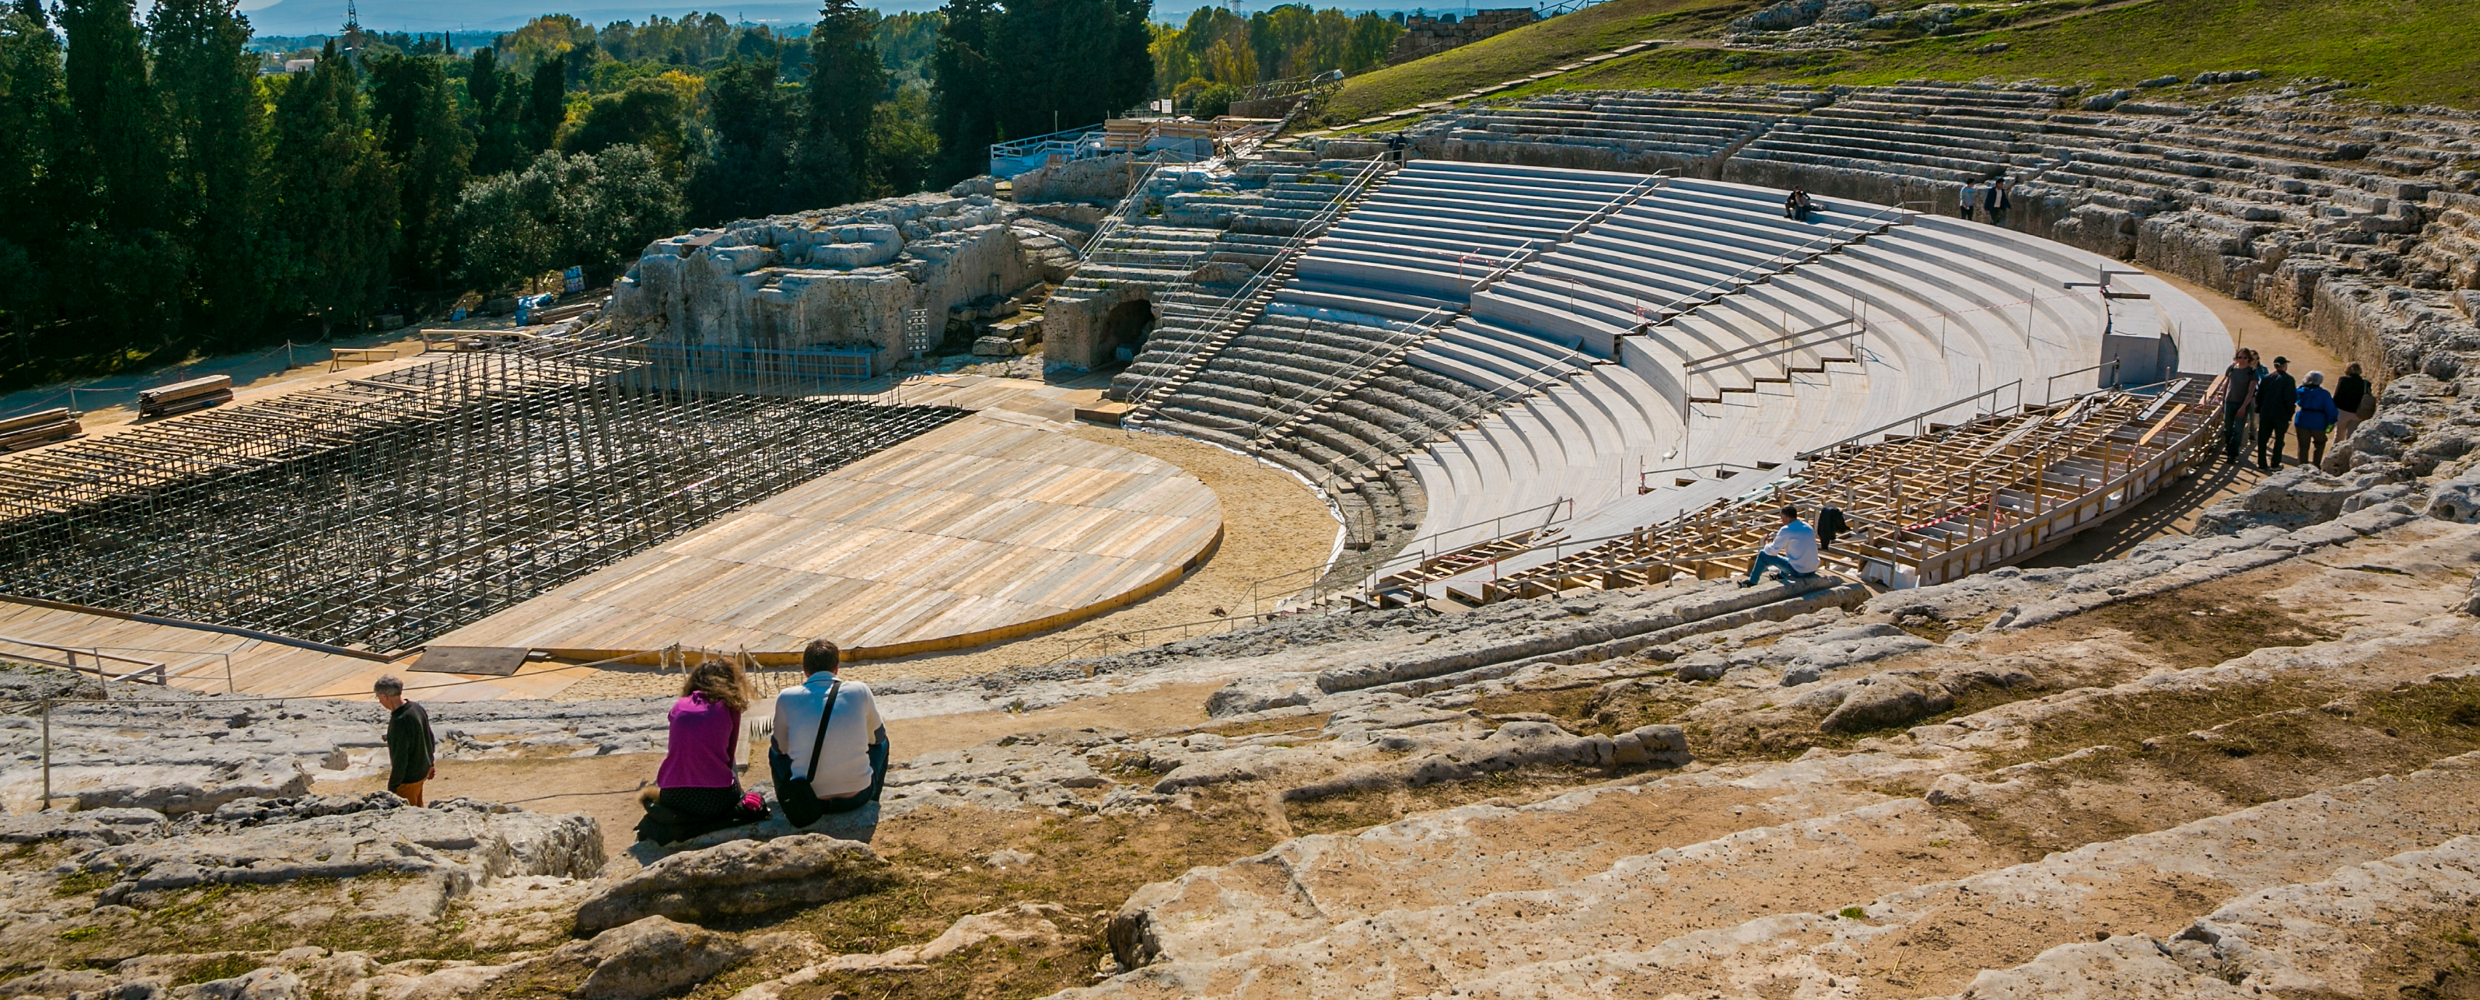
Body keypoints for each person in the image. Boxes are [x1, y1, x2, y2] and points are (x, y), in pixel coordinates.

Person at [636, 657, 771, 845]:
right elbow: (729, 757)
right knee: (726, 763)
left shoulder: (678, 706)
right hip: (715, 800)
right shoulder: (728, 706)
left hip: (672, 796)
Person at [769, 639, 889, 827]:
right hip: (858, 796)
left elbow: (780, 748)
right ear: (836, 667)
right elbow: (878, 737)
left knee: (773, 752)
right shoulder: (859, 690)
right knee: (882, 742)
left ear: (804, 669)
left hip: (810, 799)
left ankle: (790, 802)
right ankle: (873, 801)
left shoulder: (786, 697)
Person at [375, 675, 435, 807]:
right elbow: (429, 737)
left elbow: (400, 757)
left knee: (410, 815)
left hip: (408, 780)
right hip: (422, 771)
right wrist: (431, 763)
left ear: (385, 696)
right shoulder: (416, 707)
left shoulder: (399, 721)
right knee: (419, 808)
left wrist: (393, 787)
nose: (379, 701)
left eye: (378, 697)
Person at [1739, 505, 1821, 588]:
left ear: (1785, 517)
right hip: (1812, 569)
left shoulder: (1786, 529)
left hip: (1799, 571)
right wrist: (1776, 539)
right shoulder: (1808, 527)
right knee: (1790, 557)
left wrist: (1767, 544)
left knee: (1762, 554)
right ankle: (1780, 576)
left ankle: (1752, 582)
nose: (1782, 521)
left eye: (1782, 518)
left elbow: (1772, 551)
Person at [2255, 355, 2298, 469]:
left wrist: (2259, 409)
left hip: (2266, 413)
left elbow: (2259, 396)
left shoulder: (2266, 378)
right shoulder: (2288, 380)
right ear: (2284, 366)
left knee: (2263, 439)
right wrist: (2290, 413)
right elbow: (2290, 398)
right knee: (2279, 440)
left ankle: (2262, 463)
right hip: (2281, 414)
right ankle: (2275, 463)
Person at [2219, 348, 2260, 463]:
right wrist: (2223, 400)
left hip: (2241, 404)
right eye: (2240, 357)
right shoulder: (2231, 369)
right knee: (2227, 428)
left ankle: (2232, 454)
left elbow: (2251, 391)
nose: (2242, 360)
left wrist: (2243, 406)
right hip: (2229, 401)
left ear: (2248, 359)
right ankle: (2229, 448)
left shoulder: (2251, 372)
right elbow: (2226, 384)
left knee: (2237, 429)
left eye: (2244, 358)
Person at [2294, 370, 2340, 468]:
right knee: (2320, 443)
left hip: (2302, 419)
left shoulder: (2301, 391)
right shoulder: (2324, 394)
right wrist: (2332, 421)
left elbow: (2296, 394)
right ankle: (2316, 465)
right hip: (2318, 421)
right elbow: (2331, 410)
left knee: (2303, 446)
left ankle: (2302, 467)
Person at [2333, 362, 2373, 442]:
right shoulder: (2366, 383)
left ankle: (2335, 453)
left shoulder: (2343, 380)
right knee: (2350, 438)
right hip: (2357, 413)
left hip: (2342, 412)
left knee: (2339, 436)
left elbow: (2337, 397)